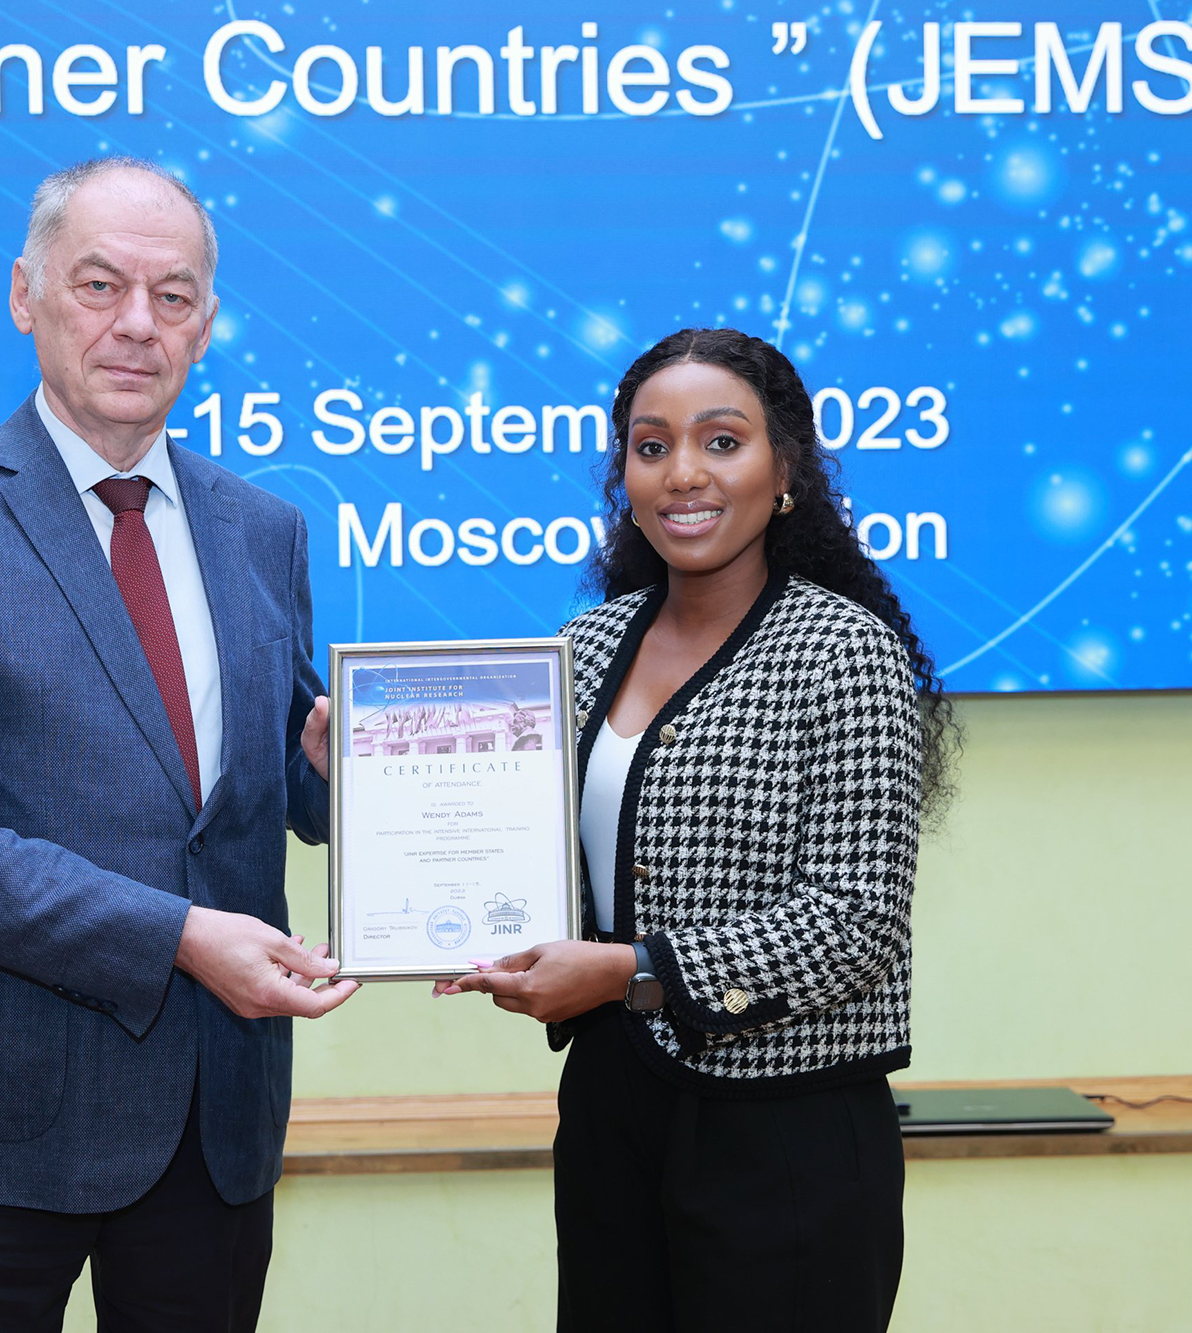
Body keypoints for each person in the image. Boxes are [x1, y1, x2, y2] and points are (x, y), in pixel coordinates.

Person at [0, 157, 356, 1332]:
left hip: (211, 1123)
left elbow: (273, 777)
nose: (136, 324)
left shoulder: (262, 529)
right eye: (99, 284)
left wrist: (338, 771)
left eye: (172, 297)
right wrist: (178, 938)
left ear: (205, 325)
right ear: (26, 295)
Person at [441, 327, 956, 1331]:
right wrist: (372, 791)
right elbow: (515, 840)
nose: (682, 472)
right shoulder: (583, 646)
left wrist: (630, 969)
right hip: (611, 1108)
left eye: (721, 441)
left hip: (786, 1126)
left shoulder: (844, 652)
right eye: (651, 446)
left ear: (785, 469)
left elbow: (853, 921)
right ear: (624, 476)